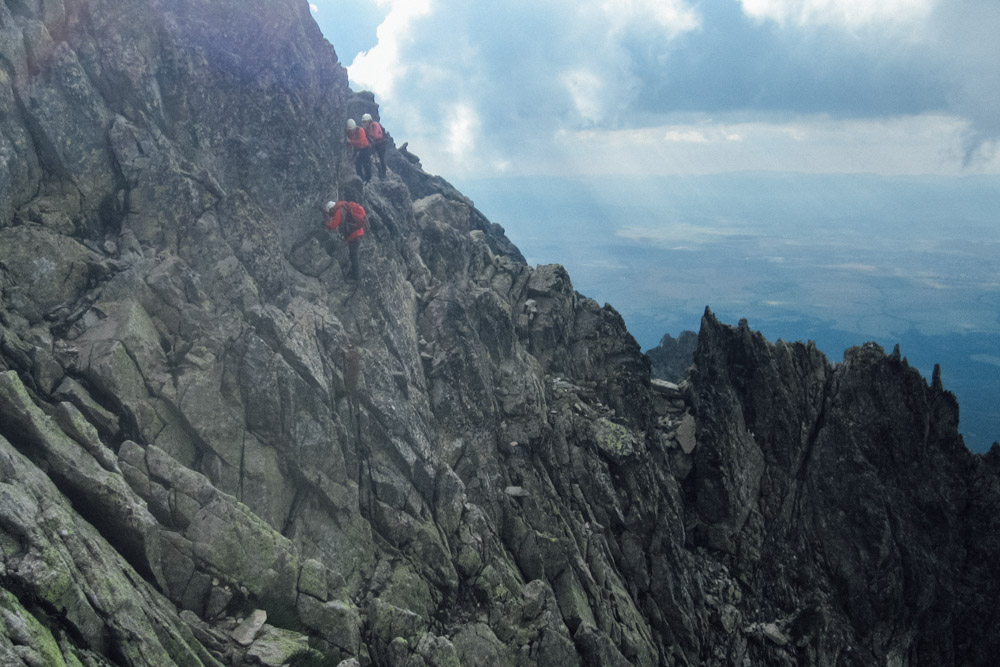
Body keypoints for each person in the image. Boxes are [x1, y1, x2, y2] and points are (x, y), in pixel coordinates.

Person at [324, 182, 367, 281]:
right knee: (353, 254)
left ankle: (355, 276)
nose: (331, 214)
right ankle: (355, 273)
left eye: (330, 212)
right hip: (358, 232)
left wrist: (326, 223)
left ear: (331, 209)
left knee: (353, 255)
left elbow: (333, 225)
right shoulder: (344, 206)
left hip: (354, 235)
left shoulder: (339, 211)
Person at [361, 113, 388, 179]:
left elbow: (377, 136)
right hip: (375, 145)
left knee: (381, 158)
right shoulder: (366, 128)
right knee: (373, 158)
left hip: (381, 144)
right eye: (363, 122)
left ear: (369, 121)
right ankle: (377, 173)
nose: (364, 123)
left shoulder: (375, 125)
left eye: (365, 122)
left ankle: (383, 174)